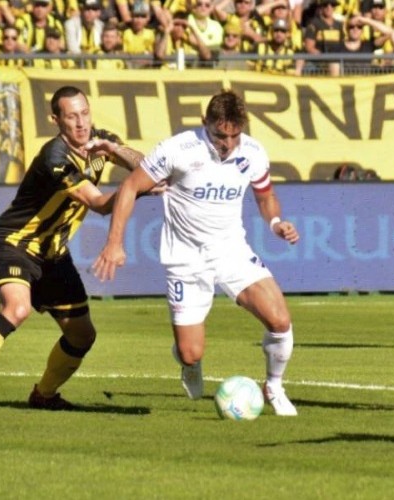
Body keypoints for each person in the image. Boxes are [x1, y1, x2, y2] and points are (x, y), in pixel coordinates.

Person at [0, 86, 145, 416]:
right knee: (17, 309)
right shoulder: (55, 158)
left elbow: (148, 168)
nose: (81, 123)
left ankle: (44, 395)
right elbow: (100, 203)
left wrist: (118, 150)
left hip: (53, 255)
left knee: (82, 335)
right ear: (55, 120)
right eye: (71, 116)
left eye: (85, 113)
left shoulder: (101, 142)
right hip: (14, 244)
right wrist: (136, 188)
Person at [91, 89, 300, 417]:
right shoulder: (178, 149)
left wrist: (275, 222)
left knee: (280, 320)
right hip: (185, 259)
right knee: (190, 352)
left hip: (232, 252)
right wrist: (114, 243)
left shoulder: (254, 153)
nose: (227, 143)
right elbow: (131, 186)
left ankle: (274, 387)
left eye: (235, 135)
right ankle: (188, 364)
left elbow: (265, 194)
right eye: (220, 135)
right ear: (206, 123)